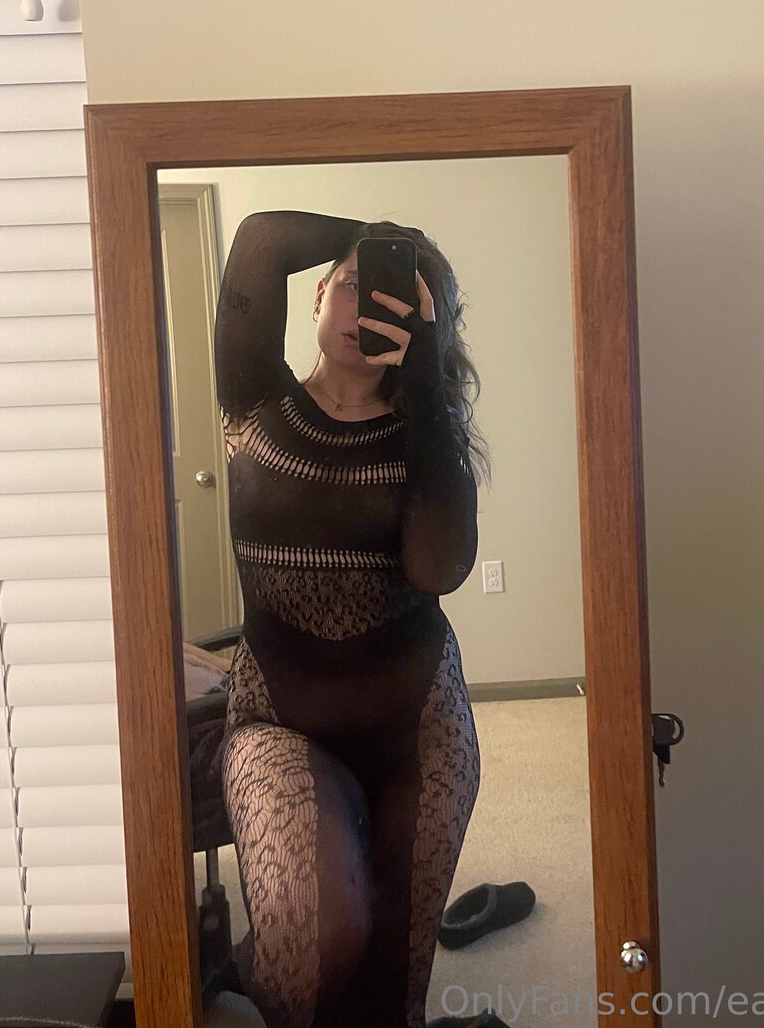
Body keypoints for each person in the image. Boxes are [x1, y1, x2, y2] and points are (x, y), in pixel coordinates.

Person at [212, 208, 492, 1028]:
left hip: (419, 731)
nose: (365, 308)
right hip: (279, 718)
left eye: (396, 302)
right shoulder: (253, 397)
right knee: (310, 952)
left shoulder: (426, 436)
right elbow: (262, 237)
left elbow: (438, 569)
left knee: (392, 992)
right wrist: (382, 239)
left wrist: (428, 379)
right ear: (316, 296)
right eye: (352, 286)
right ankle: (240, 968)